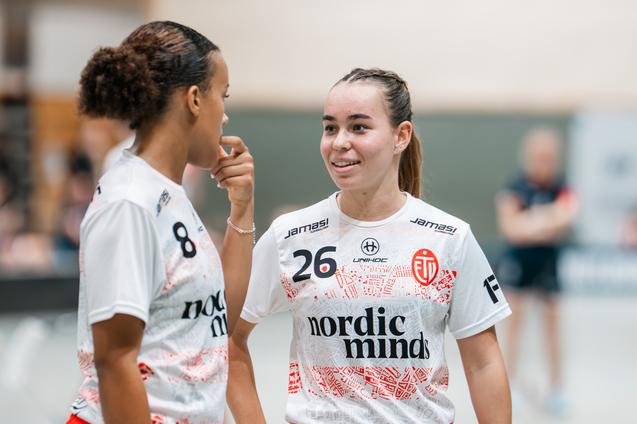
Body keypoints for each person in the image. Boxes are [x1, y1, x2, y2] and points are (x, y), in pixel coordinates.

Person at [228, 68, 512, 423]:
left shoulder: (449, 237)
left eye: (359, 127)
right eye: (330, 128)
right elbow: (227, 337)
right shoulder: (291, 235)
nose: (339, 142)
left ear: (401, 136)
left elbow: (483, 362)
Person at [67, 21, 255, 424]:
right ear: (194, 99)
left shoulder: (168, 191)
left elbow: (217, 320)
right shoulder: (129, 201)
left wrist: (241, 209)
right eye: (222, 96)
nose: (224, 116)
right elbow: (115, 360)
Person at [495, 128, 577, 416]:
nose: (544, 163)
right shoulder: (515, 187)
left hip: (548, 261)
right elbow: (511, 227)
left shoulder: (562, 187)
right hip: (520, 261)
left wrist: (530, 222)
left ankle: (557, 387)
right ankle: (511, 384)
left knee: (553, 327)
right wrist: (547, 220)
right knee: (514, 326)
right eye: (539, 157)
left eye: (549, 157)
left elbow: (567, 215)